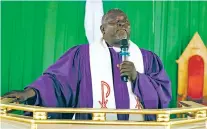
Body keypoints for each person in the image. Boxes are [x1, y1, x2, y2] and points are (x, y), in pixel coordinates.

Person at [1, 8, 172, 121]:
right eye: (114, 22)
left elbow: (162, 93)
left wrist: (137, 78)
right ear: (103, 30)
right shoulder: (82, 55)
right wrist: (29, 93)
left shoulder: (147, 58)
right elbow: (56, 83)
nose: (121, 24)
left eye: (125, 21)